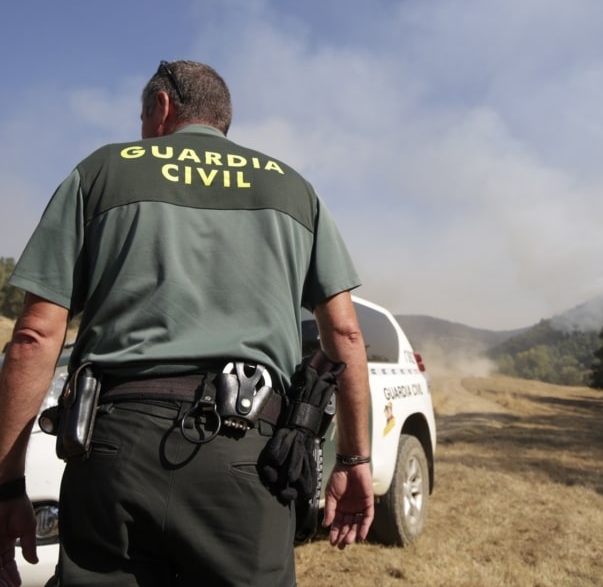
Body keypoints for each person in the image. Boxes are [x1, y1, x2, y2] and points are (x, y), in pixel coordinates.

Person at [0, 60, 373, 587]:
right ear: (221, 119)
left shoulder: (102, 171)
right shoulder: (293, 190)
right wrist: (354, 458)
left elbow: (34, 336)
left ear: (161, 108)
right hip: (250, 458)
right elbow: (347, 337)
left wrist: (7, 486)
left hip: (113, 453)